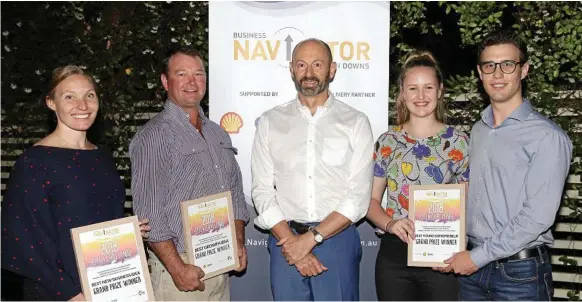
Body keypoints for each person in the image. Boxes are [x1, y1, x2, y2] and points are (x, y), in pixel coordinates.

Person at [440, 30, 573, 301]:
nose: (497, 74)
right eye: (490, 66)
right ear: (480, 73)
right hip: (472, 272)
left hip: (521, 274)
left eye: (507, 65)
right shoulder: (478, 131)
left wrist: (476, 257)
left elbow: (537, 217)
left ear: (524, 70)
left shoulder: (547, 136)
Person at [1, 65, 151, 301]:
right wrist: (69, 293)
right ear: (51, 103)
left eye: (89, 95)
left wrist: (126, 231)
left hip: (108, 285)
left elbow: (89, 216)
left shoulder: (102, 157)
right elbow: (23, 240)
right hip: (59, 293)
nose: (82, 106)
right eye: (69, 97)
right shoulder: (34, 162)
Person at [251, 38, 374, 301]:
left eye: (317, 64)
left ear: (332, 70)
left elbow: (358, 198)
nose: (309, 73)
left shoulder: (356, 122)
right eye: (301, 64)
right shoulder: (270, 122)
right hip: (285, 239)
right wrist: (293, 243)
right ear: (291, 70)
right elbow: (261, 190)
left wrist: (310, 240)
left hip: (337, 240)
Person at [129, 47, 250, 301]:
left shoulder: (218, 133)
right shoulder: (154, 136)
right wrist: (177, 268)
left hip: (220, 262)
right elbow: (149, 213)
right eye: (181, 74)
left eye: (198, 74)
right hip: (180, 269)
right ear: (165, 81)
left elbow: (235, 192)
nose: (191, 82)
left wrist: (237, 240)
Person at [365, 51, 470, 301]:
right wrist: (390, 224)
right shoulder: (388, 141)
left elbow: (469, 206)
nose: (420, 96)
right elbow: (369, 202)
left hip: (443, 255)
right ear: (402, 92)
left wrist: (459, 248)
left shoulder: (460, 142)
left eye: (428, 88)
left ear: (440, 90)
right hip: (394, 256)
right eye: (413, 88)